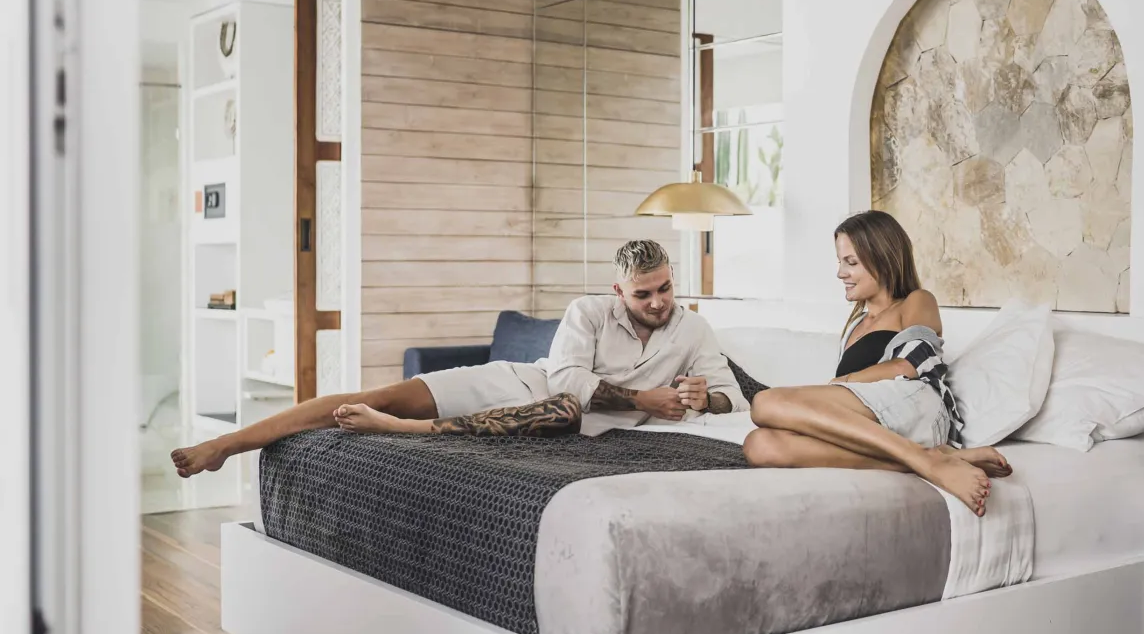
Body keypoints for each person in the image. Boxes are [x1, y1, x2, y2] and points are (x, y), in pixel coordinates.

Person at [170, 240, 746, 478]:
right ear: (618, 290)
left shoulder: (693, 328)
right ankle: (228, 445)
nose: (657, 303)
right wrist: (644, 399)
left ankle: (403, 432)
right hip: (526, 385)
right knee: (377, 396)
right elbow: (567, 378)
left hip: (566, 422)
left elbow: (732, 397)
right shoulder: (588, 312)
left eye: (664, 289)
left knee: (561, 417)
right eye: (642, 294)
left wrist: (703, 397)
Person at [742, 210, 1010, 516]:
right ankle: (929, 458)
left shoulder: (916, 301)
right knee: (759, 446)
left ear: (883, 259)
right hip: (880, 421)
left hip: (915, 402)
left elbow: (911, 362)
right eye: (840, 262)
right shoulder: (855, 324)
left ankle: (927, 460)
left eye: (851, 262)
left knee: (764, 403)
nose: (841, 273)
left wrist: (842, 382)